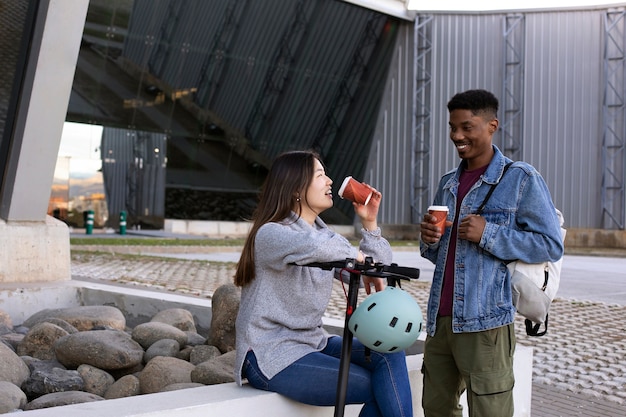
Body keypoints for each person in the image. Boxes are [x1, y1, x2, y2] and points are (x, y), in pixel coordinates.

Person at [233, 150, 413, 417]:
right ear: (295, 187)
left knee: (389, 352)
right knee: (372, 384)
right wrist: (357, 256)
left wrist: (370, 222)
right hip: (270, 352)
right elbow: (319, 248)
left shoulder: (323, 236)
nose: (330, 181)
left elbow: (374, 266)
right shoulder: (272, 233)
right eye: (320, 175)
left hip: (312, 342)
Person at [419, 89, 564, 417]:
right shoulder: (447, 183)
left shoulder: (521, 179)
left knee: (491, 411)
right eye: (452, 127)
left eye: (467, 127)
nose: (457, 135)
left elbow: (550, 245)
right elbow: (441, 255)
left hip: (485, 322)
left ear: (491, 126)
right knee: (436, 409)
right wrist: (429, 239)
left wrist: (489, 234)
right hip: (441, 322)